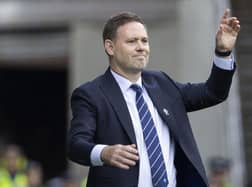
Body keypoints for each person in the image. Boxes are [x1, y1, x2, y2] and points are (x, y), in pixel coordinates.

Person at [68, 9, 240, 187]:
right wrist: (104, 153)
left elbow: (213, 93)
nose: (141, 47)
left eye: (144, 40)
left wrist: (223, 53)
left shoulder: (161, 83)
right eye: (132, 41)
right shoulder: (91, 94)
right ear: (110, 47)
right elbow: (76, 145)